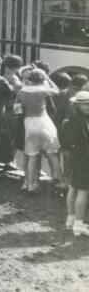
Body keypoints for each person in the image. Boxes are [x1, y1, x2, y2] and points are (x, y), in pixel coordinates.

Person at [17, 68, 62, 193]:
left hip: (29, 123)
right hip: (44, 122)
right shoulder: (43, 91)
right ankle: (61, 181)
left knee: (32, 156)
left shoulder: (21, 92)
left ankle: (30, 185)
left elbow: (17, 110)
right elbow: (56, 90)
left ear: (30, 79)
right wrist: (47, 77)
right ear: (42, 80)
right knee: (53, 154)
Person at [61, 90, 89, 236]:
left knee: (73, 187)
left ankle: (71, 219)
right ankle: (79, 224)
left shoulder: (71, 119)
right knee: (84, 190)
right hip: (84, 158)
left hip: (75, 158)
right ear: (78, 105)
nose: (88, 107)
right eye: (85, 105)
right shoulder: (81, 121)